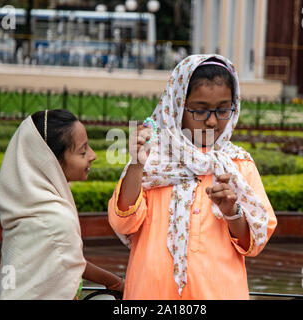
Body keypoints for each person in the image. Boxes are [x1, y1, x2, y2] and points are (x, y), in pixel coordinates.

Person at [108, 54, 277, 299]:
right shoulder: (152, 157)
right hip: (152, 292)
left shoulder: (239, 165)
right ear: (177, 105)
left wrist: (232, 211)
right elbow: (123, 223)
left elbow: (254, 243)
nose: (212, 121)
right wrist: (136, 164)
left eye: (223, 110)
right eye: (200, 110)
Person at [0, 109, 124, 300]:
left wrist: (114, 282)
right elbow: (70, 260)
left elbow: (70, 261)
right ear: (51, 161)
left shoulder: (28, 204)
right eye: (83, 151)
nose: (93, 155)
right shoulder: (55, 218)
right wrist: (117, 283)